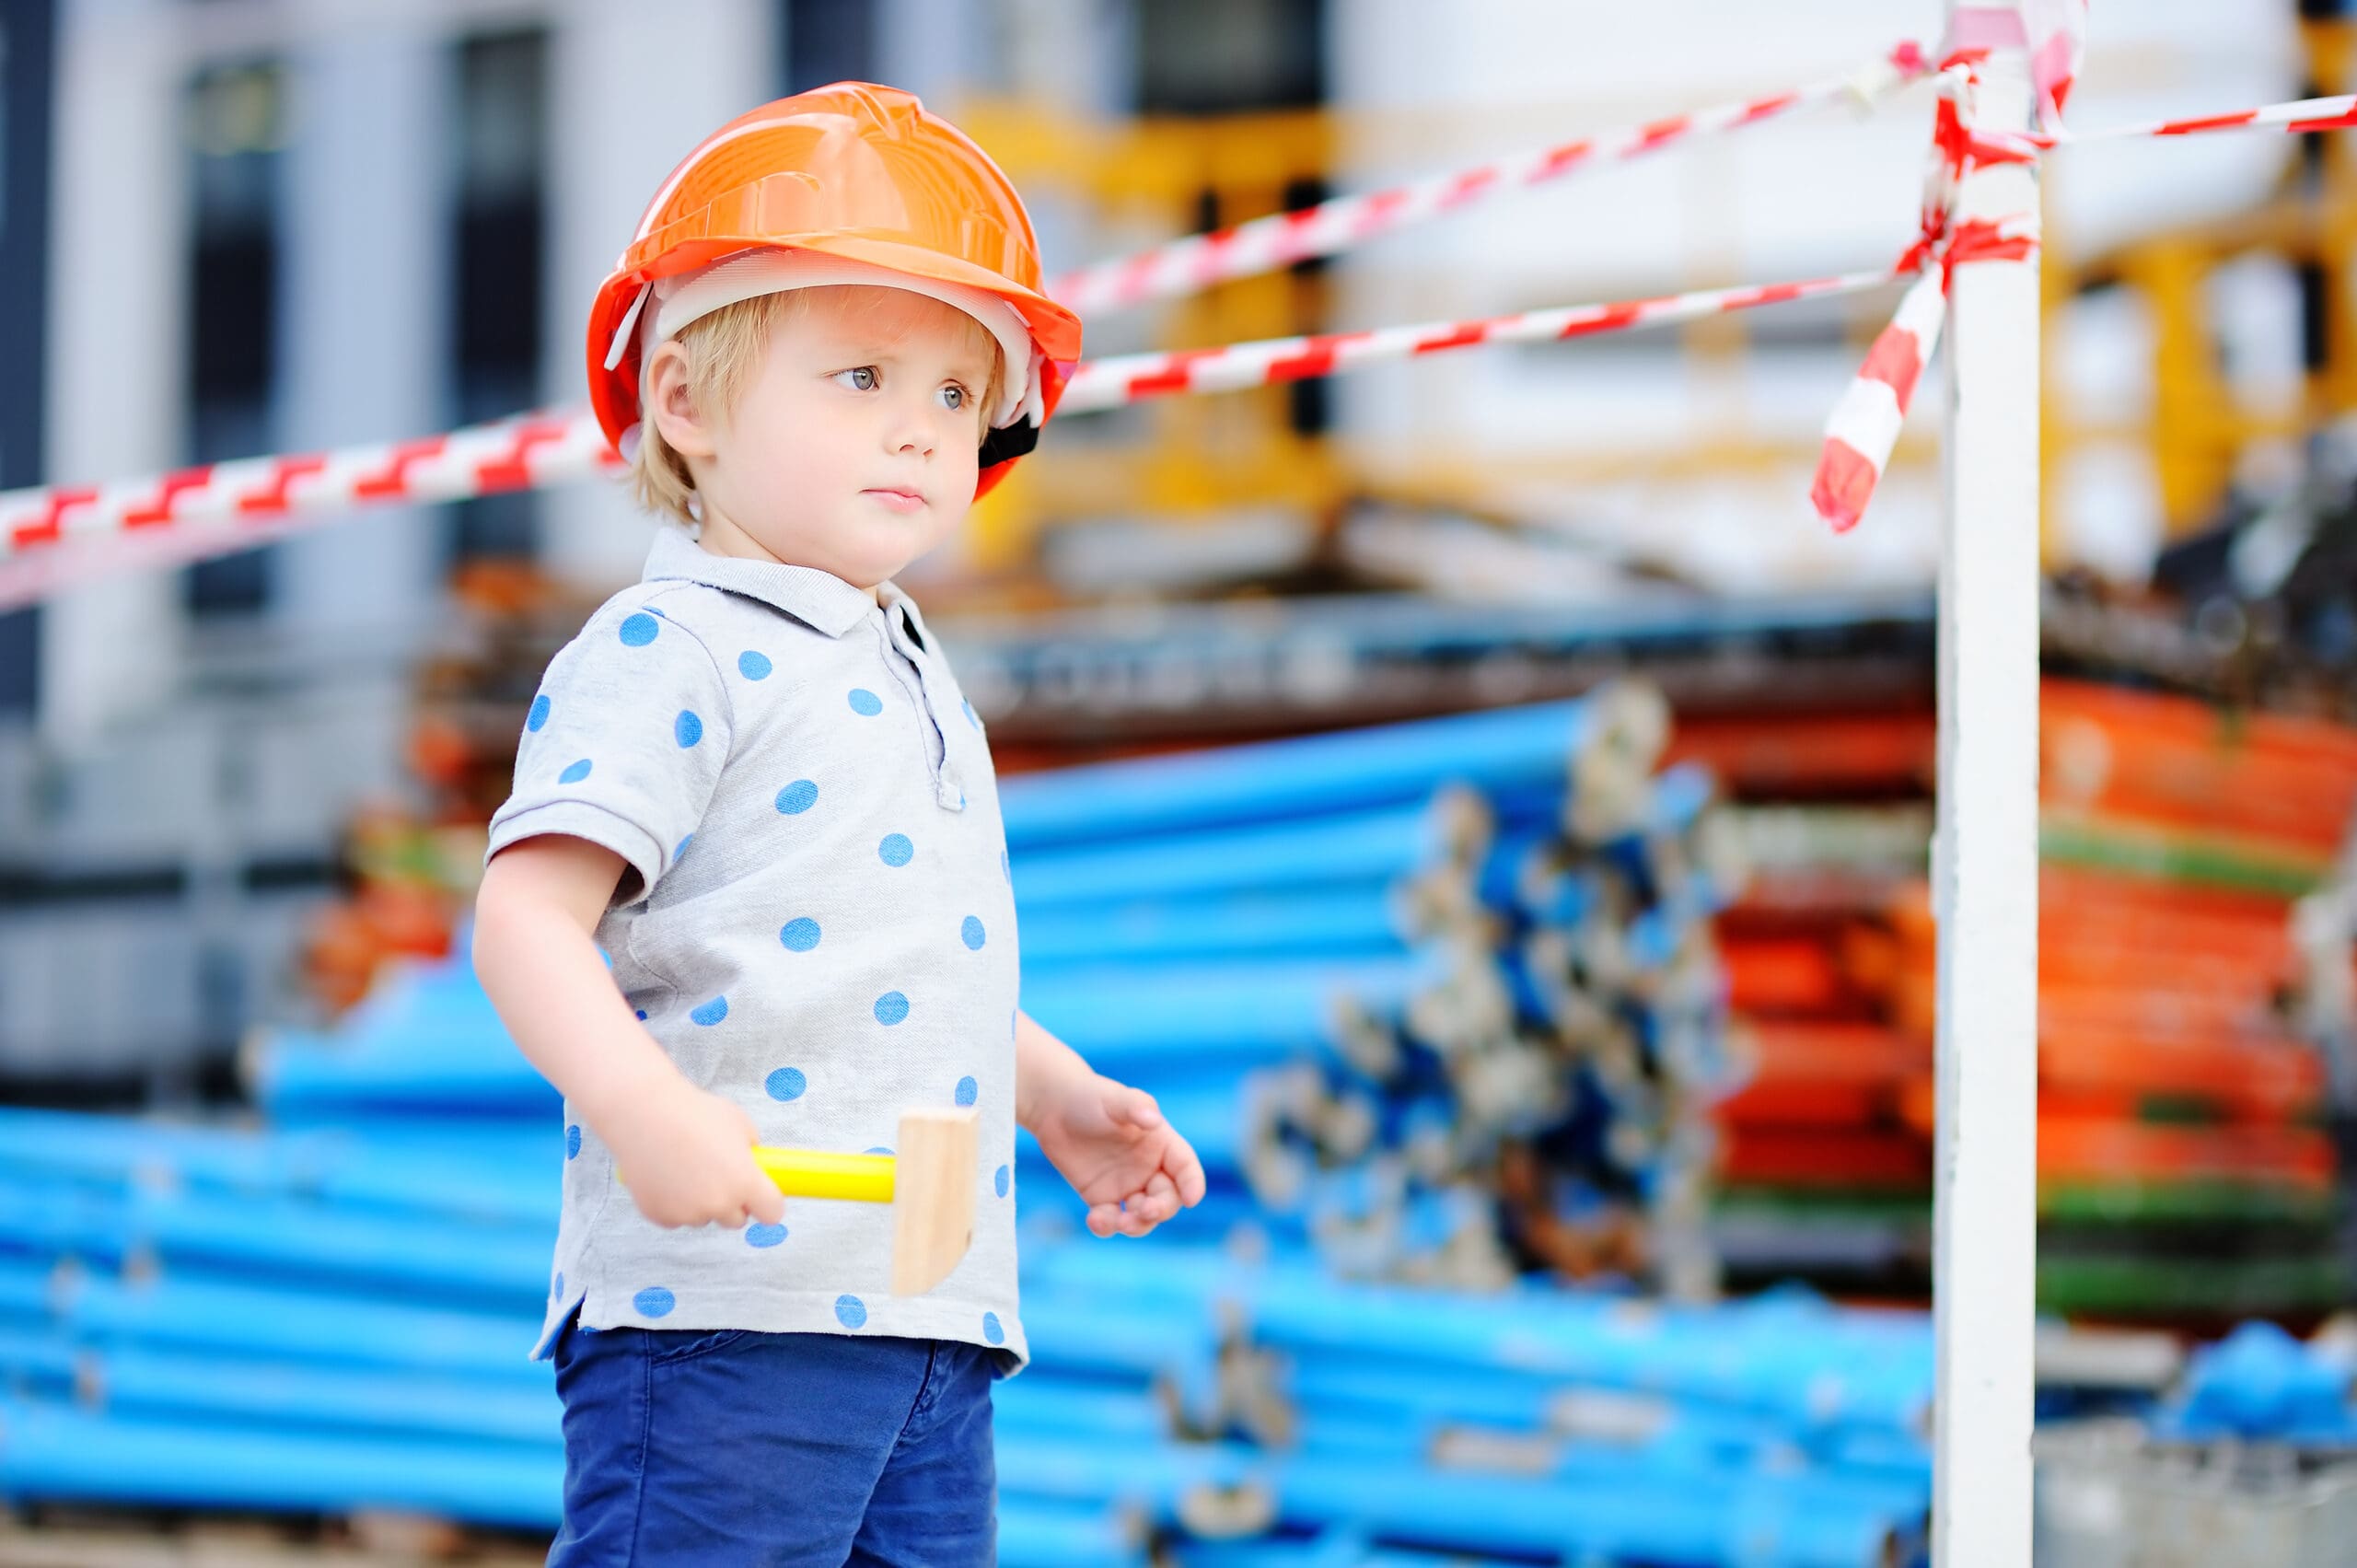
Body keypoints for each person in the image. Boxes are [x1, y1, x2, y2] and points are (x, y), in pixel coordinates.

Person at [470, 82, 1206, 1566]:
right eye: (862, 375)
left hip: (929, 1307)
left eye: (952, 393)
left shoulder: (900, 660)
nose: (922, 432)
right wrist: (646, 1111)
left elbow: (893, 963)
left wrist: (1052, 1093)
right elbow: (523, 922)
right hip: (726, 1311)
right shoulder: (668, 647)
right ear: (685, 398)